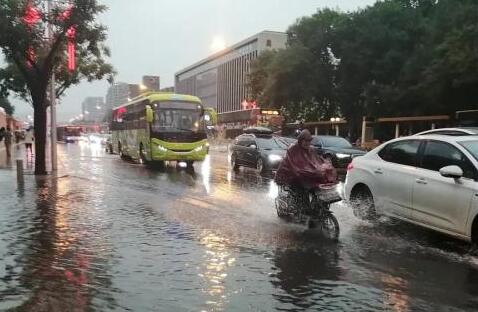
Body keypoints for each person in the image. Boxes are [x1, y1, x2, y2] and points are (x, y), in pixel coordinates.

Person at [275, 129, 337, 210]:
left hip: (306, 175)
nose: (307, 143)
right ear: (301, 141)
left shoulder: (311, 149)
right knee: (302, 191)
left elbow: (317, 161)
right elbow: (294, 166)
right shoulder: (293, 149)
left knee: (319, 188)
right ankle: (302, 210)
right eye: (305, 141)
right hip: (290, 176)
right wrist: (306, 172)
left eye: (309, 141)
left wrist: (326, 168)